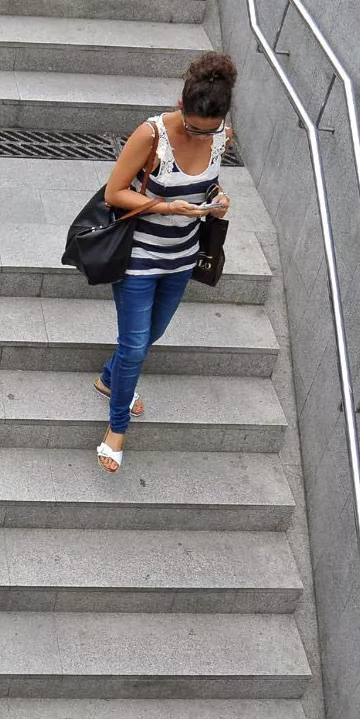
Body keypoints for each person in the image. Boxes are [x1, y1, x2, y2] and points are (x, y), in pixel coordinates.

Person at [93, 51, 237, 473]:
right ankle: (116, 428)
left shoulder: (220, 136)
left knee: (148, 336)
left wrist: (217, 199)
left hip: (182, 258)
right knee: (135, 345)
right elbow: (114, 193)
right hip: (138, 256)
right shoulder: (150, 135)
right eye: (192, 127)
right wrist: (169, 208)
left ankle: (109, 377)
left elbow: (207, 183)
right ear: (180, 105)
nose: (198, 136)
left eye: (207, 131)